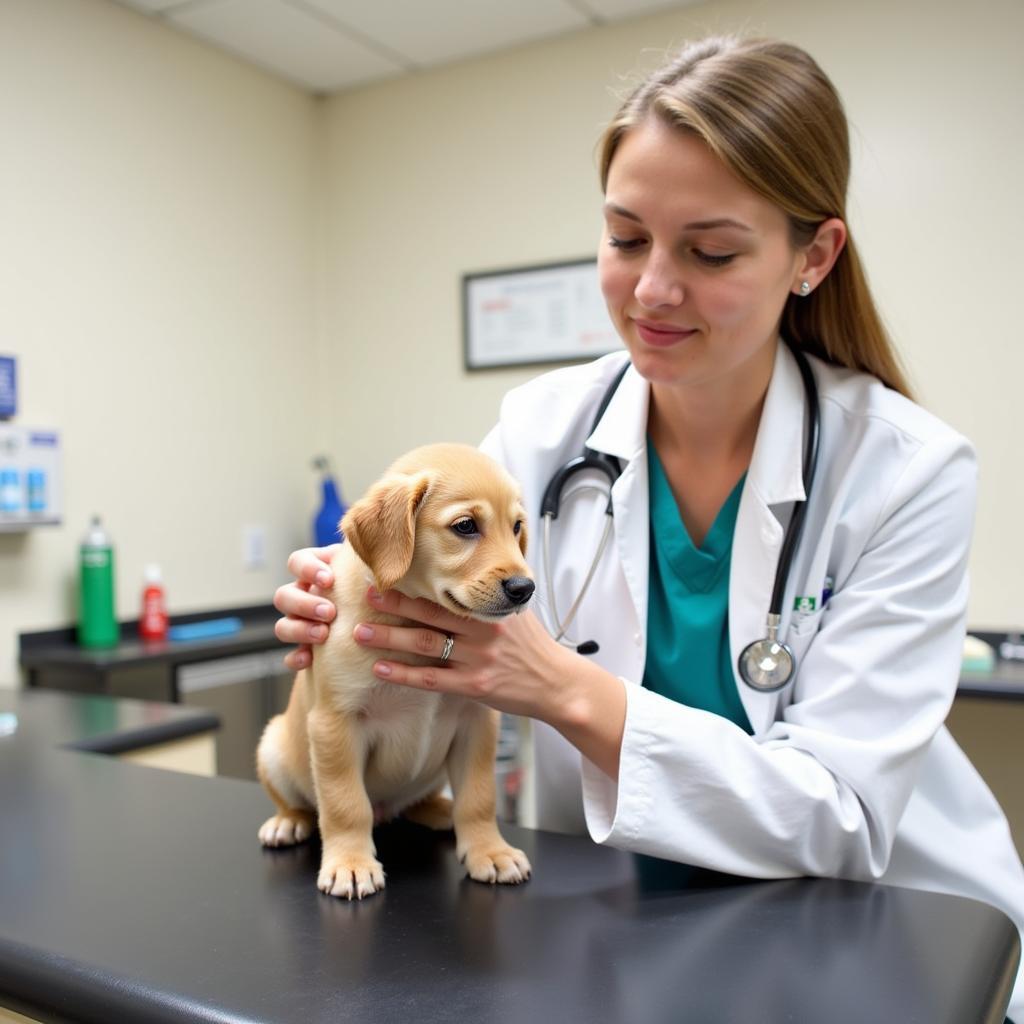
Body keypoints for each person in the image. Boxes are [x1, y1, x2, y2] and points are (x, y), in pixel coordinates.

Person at [273, 37, 1024, 1019]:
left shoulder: (906, 470)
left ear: (814, 255)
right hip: (612, 926)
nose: (651, 289)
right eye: (626, 238)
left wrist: (563, 689)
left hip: (878, 933)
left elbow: (841, 817)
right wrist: (360, 596)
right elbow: (438, 590)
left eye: (709, 251)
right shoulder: (544, 432)